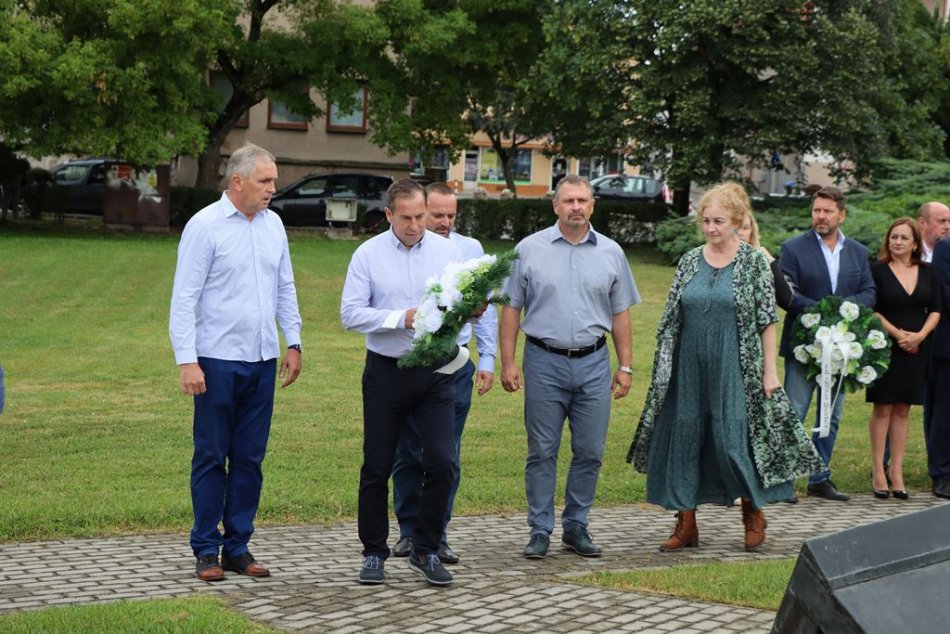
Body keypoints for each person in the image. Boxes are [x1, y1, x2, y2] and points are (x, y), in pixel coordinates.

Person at [628, 183, 821, 553]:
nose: (711, 228)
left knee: (734, 440)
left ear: (737, 221)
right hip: (688, 364)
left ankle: (752, 510)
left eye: (718, 221)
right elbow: (672, 316)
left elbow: (767, 320)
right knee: (686, 438)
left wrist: (770, 371)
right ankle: (686, 521)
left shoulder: (754, 262)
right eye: (706, 221)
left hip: (736, 364)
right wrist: (665, 367)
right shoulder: (689, 260)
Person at [169, 143, 302, 582]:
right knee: (211, 455)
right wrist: (187, 360)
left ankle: (238, 546)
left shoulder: (273, 225)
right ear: (238, 180)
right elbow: (184, 297)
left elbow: (285, 286)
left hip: (261, 359)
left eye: (274, 180)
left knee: (250, 458)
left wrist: (294, 341)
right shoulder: (205, 226)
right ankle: (206, 548)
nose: (272, 188)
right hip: (216, 360)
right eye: (265, 180)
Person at [500, 174, 640, 559]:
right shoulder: (529, 250)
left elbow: (620, 313)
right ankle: (540, 529)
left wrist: (626, 366)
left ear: (592, 205)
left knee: (590, 450)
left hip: (594, 363)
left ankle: (576, 525)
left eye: (582, 200)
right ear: (555, 206)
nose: (576, 207)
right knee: (542, 449)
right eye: (568, 201)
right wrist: (508, 362)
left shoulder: (611, 252)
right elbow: (511, 309)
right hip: (543, 361)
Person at [340, 178, 463, 586]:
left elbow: (458, 302)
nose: (415, 226)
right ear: (389, 214)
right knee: (377, 465)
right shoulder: (368, 254)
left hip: (435, 371)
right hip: (386, 372)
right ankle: (374, 553)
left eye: (420, 217)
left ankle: (425, 548)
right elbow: (350, 314)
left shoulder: (447, 252)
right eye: (406, 218)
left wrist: (470, 308)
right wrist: (399, 318)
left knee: (442, 461)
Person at [390, 182, 497, 564]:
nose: (445, 222)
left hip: (455, 365)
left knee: (446, 454)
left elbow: (485, 309)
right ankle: (408, 530)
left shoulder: (469, 250)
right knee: (408, 449)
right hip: (410, 362)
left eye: (451, 215)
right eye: (437, 215)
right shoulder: (407, 249)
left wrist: (487, 360)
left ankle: (437, 533)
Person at [779, 186, 875, 502]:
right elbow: (787, 294)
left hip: (841, 348)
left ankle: (819, 477)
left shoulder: (857, 251)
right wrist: (825, 312)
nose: (820, 216)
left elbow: (869, 292)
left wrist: (843, 311)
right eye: (816, 210)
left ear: (841, 215)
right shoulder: (793, 248)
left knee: (830, 415)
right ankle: (783, 481)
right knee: (795, 411)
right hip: (803, 346)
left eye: (827, 211)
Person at [866, 218, 941, 500]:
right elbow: (872, 309)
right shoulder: (877, 270)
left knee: (903, 409)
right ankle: (878, 470)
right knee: (883, 407)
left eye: (903, 238)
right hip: (886, 346)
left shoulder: (929, 271)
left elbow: (936, 309)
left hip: (917, 348)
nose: (897, 242)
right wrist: (899, 335)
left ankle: (896, 471)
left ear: (915, 243)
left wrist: (919, 336)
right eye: (893, 237)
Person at [926, 233, 950, 499]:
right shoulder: (946, 247)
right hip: (947, 347)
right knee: (944, 414)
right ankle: (941, 473)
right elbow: (944, 291)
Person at [736, 212, 794, 310]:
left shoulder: (760, 257)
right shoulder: (714, 259)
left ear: (752, 231)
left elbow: (786, 299)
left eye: (745, 228)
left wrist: (769, 260)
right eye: (736, 228)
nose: (740, 233)